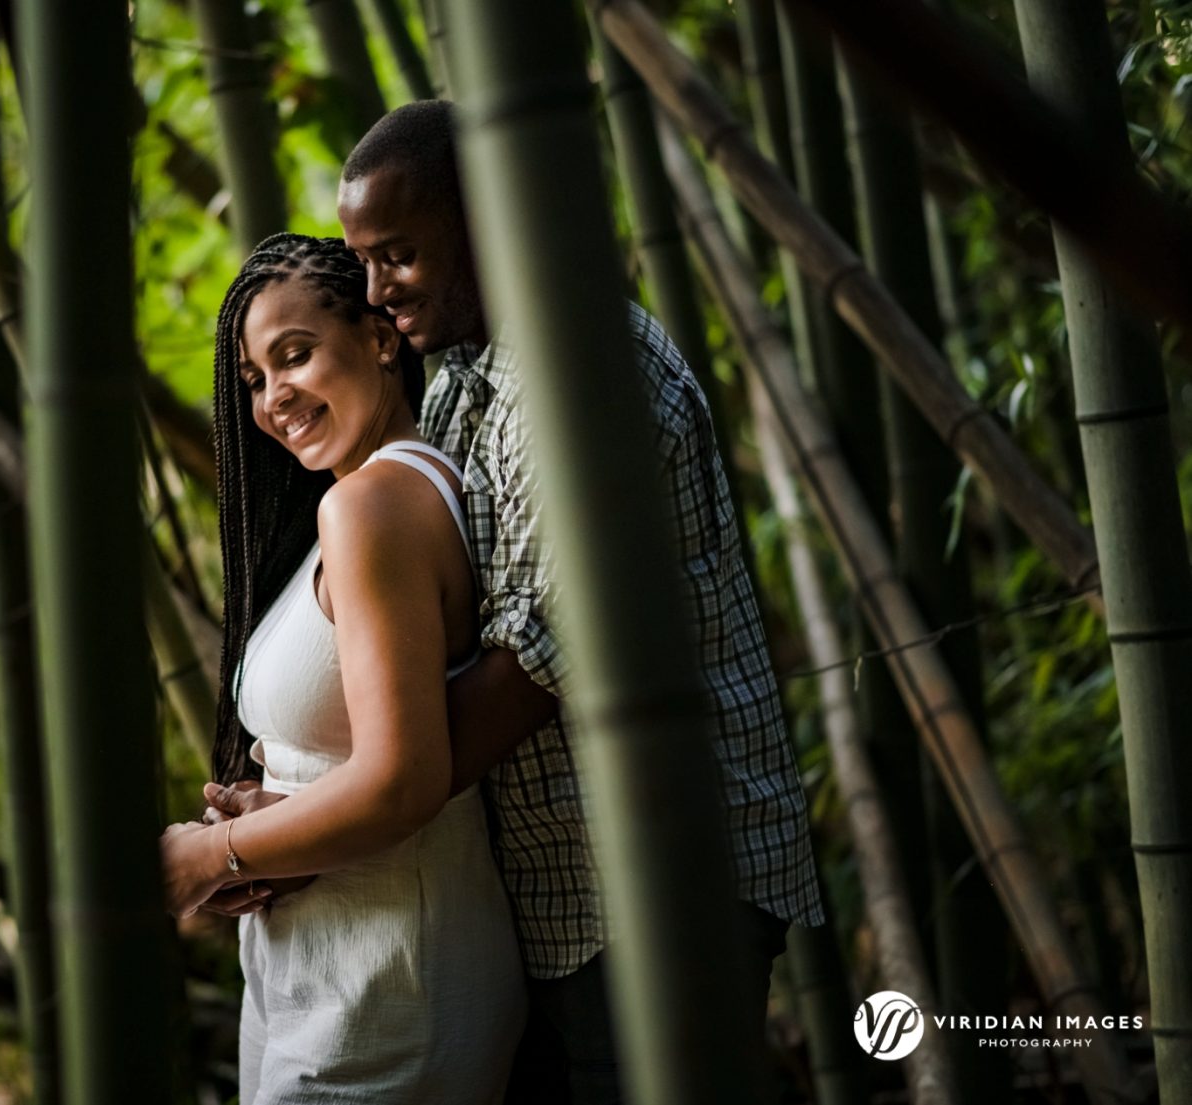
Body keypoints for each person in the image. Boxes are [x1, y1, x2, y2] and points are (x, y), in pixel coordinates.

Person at [203, 101, 826, 1104]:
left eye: (397, 254)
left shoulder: (587, 380)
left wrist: (279, 836)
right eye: (361, 262)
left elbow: (523, 678)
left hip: (653, 887)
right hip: (553, 899)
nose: (374, 290)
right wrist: (304, 813)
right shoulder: (464, 383)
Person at [160, 233, 526, 1103]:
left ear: (380, 338)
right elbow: (363, 752)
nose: (274, 396)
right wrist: (271, 821)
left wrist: (211, 856)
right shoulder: (366, 497)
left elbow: (404, 780)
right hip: (333, 975)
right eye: (253, 379)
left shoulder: (373, 506)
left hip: (386, 988)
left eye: (295, 355)